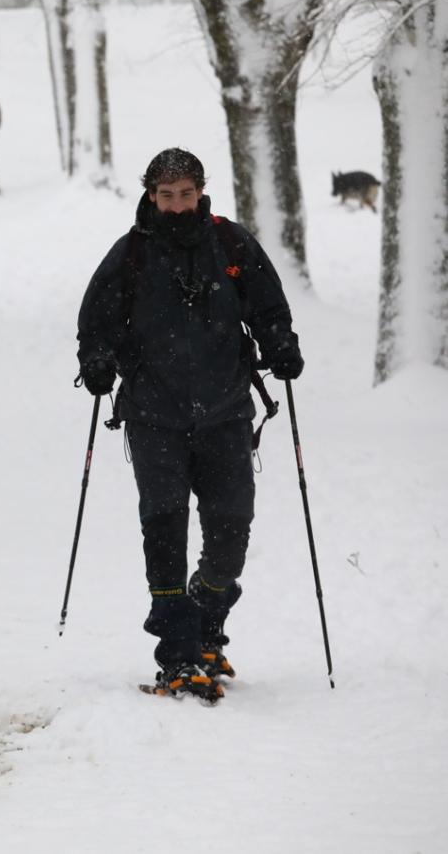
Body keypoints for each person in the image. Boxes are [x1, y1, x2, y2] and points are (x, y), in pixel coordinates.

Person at [76, 148, 303, 701]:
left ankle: (206, 618)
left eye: (185, 193)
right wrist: (97, 362)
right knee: (165, 527)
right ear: (151, 196)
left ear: (201, 191)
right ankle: (177, 652)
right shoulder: (131, 254)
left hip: (225, 411)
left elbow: (269, 307)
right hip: (154, 416)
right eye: (165, 195)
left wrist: (280, 344)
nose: (176, 205)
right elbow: (96, 321)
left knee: (231, 529)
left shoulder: (231, 244)